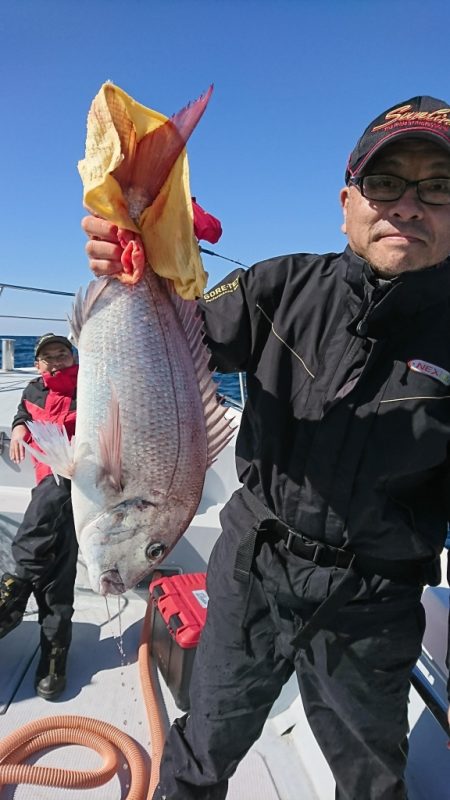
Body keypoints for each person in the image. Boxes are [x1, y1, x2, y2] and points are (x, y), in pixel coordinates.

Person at [82, 96, 450, 799]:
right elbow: (185, 336)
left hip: (373, 604)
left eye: (437, 187)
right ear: (348, 203)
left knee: (373, 779)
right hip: (253, 573)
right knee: (199, 754)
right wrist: (138, 252)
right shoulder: (279, 286)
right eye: (386, 183)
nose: (408, 205)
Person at [0, 333, 79, 701]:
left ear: (73, 356)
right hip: (47, 487)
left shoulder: (89, 386)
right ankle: (54, 650)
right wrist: (18, 428)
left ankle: (13, 590)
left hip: (82, 481)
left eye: (62, 353)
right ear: (38, 365)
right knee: (59, 567)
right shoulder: (32, 390)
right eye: (48, 357)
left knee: (56, 492)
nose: (56, 361)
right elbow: (22, 412)